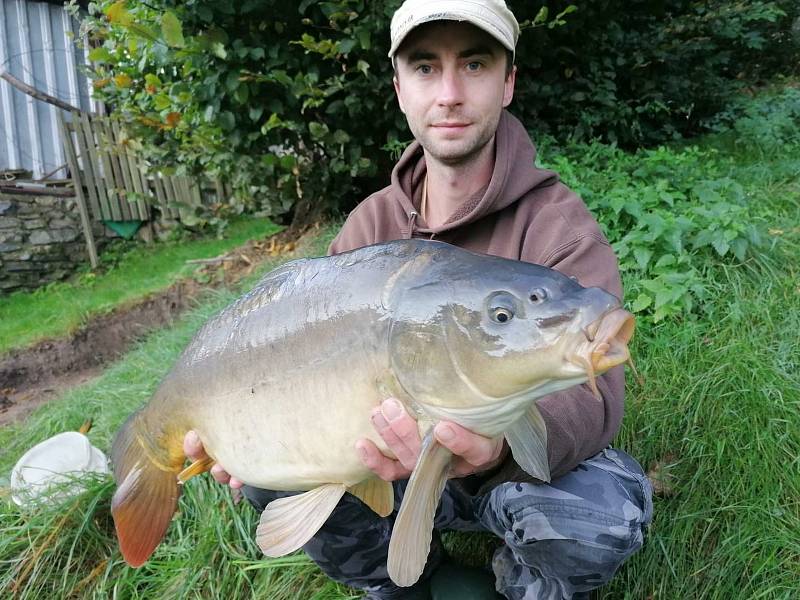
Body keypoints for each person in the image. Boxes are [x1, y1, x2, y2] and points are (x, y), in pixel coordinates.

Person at [184, 1, 653, 598]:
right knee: (268, 472)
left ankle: (524, 581)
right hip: (387, 466)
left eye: (475, 64)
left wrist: (495, 446)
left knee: (603, 515)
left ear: (508, 82)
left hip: (504, 468)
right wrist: (240, 441)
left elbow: (597, 400)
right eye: (426, 68)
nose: (450, 93)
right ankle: (399, 583)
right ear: (401, 87)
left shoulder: (558, 226)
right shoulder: (368, 226)